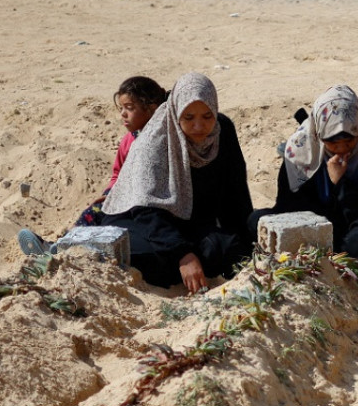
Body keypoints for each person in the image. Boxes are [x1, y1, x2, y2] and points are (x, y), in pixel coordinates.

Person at [96, 72, 253, 292]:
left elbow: (235, 192)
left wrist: (246, 244)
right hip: (144, 220)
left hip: (192, 221)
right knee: (146, 258)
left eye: (207, 116)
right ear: (176, 113)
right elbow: (145, 208)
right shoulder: (154, 141)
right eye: (189, 118)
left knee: (229, 248)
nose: (199, 126)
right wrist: (183, 255)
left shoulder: (222, 130)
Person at [252, 85, 358, 259]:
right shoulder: (300, 154)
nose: (341, 149)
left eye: (349, 141)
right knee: (256, 220)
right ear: (318, 134)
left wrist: (340, 185)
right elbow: (288, 208)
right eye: (332, 142)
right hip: (309, 229)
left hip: (351, 232)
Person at [74, 76, 169, 227]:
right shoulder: (128, 141)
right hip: (124, 197)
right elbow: (118, 174)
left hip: (150, 204)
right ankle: (60, 244)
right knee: (94, 212)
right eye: (121, 108)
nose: (123, 114)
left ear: (152, 109)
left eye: (130, 108)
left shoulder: (165, 139)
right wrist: (108, 194)